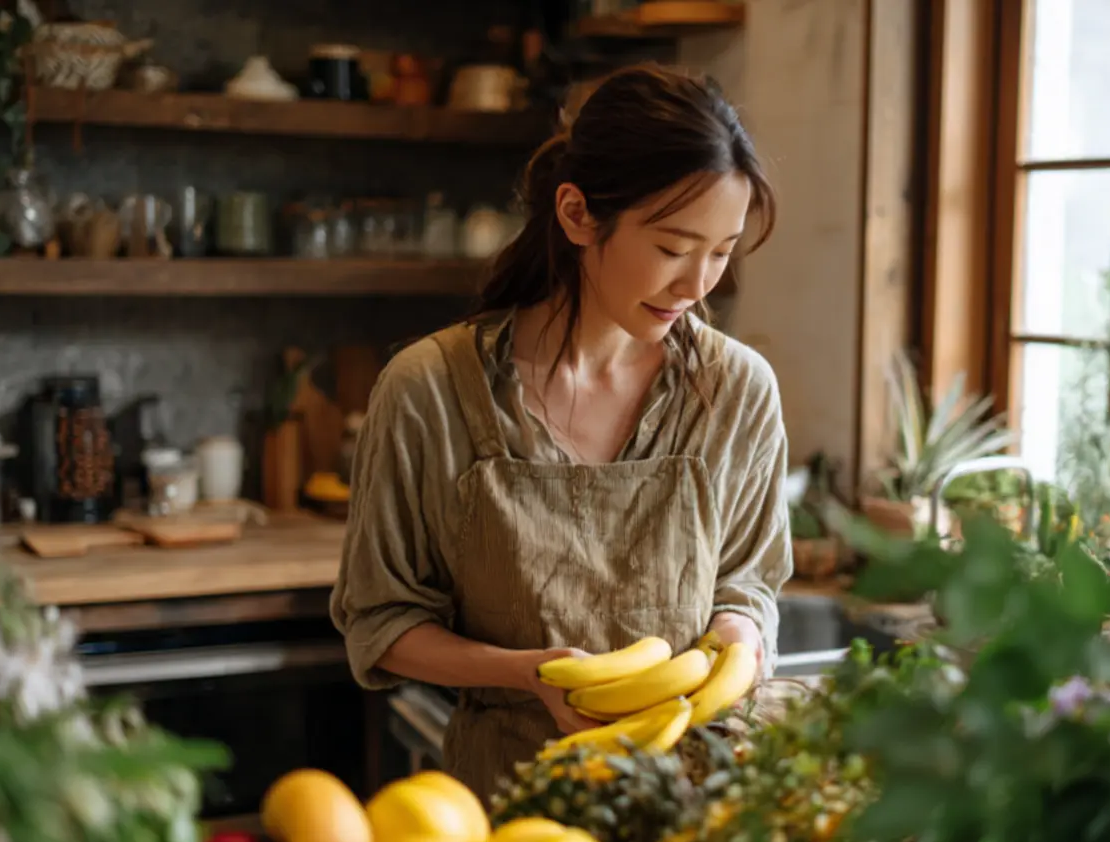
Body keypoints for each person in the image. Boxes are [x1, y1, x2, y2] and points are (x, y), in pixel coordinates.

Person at [330, 63, 791, 802]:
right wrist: (525, 673)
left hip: (696, 812)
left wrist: (741, 630)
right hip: (505, 811)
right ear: (577, 215)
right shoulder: (427, 390)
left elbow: (748, 580)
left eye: (722, 251)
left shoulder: (738, 390)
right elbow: (382, 621)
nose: (698, 285)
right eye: (673, 248)